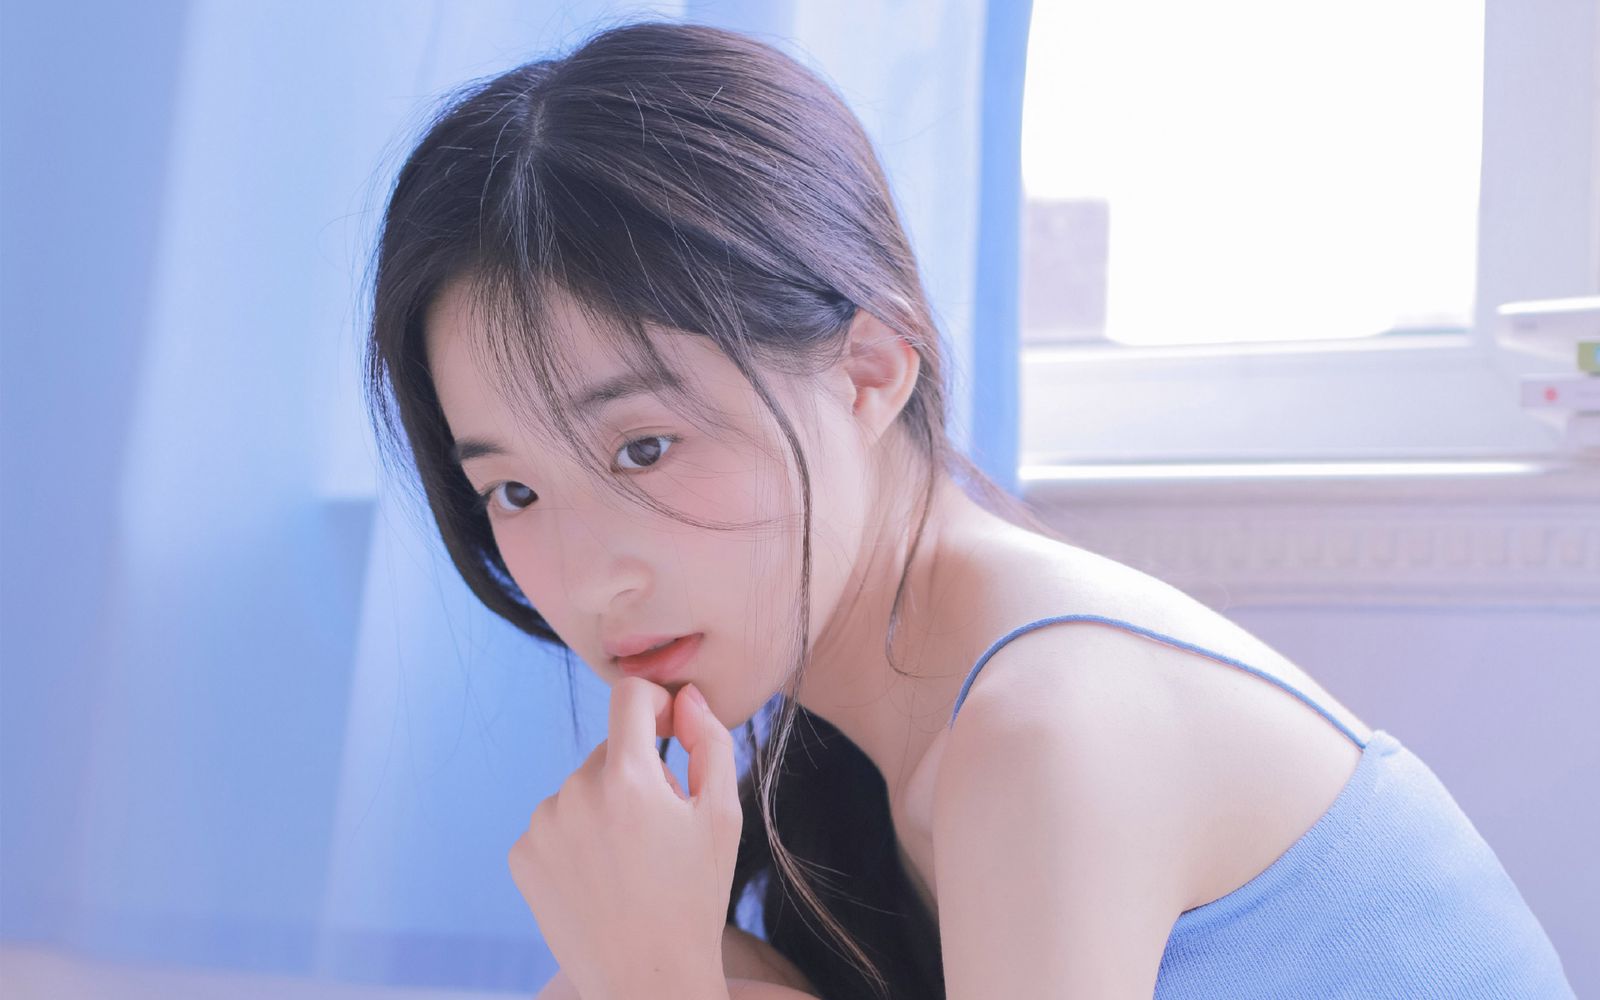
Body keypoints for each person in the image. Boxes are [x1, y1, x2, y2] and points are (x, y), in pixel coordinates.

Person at [363, 18, 1576, 1000]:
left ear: (867, 370)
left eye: (643, 446)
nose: (588, 578)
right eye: (513, 489)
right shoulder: (882, 726)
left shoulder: (1047, 727)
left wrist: (656, 974)